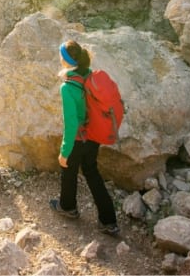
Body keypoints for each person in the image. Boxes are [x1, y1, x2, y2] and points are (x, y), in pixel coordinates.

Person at [49, 39, 120, 236]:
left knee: (68, 168)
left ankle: (68, 207)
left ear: (65, 61)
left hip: (79, 138)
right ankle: (109, 221)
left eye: (61, 55)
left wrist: (64, 151)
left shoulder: (67, 87)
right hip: (94, 135)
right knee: (92, 172)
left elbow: (71, 124)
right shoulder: (89, 76)